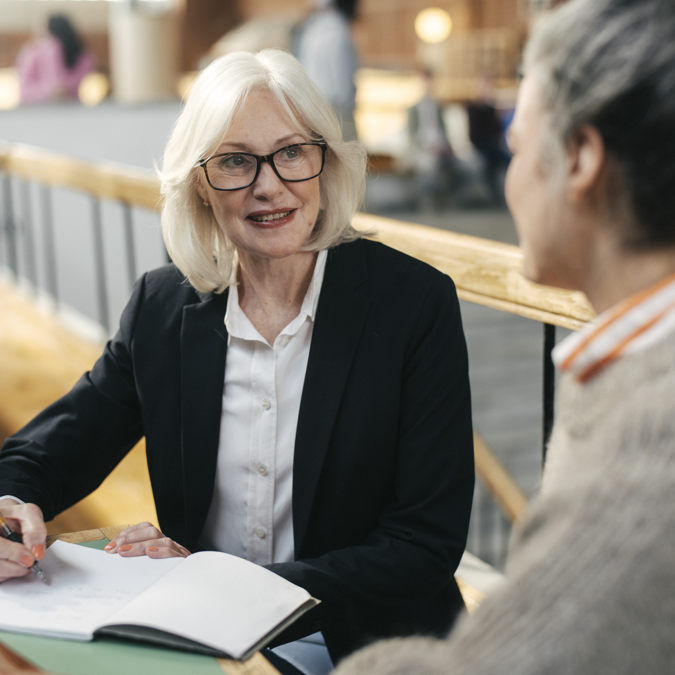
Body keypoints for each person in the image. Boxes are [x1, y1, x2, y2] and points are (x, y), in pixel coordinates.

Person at [0, 50, 474, 673]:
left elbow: (423, 546)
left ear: (325, 163)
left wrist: (215, 583)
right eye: (234, 161)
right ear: (199, 182)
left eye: (292, 153)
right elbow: (48, 452)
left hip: (373, 647)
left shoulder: (413, 303)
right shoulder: (162, 307)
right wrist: (11, 508)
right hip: (214, 647)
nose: (269, 184)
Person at [332, 0, 675, 673]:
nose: (509, 177)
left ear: (579, 158)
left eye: (516, 142)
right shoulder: (630, 374)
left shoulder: (646, 452)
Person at [293, 0, 359, 141]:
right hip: (337, 110)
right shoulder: (339, 31)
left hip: (313, 107)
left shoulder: (310, 30)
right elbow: (343, 80)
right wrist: (351, 106)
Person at [16, 14, 95, 105]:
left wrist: (52, 48)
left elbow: (62, 88)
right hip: (45, 109)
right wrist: (49, 91)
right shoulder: (33, 54)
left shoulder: (81, 58)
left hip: (66, 109)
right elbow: (25, 91)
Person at [466, 77, 510, 204]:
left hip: (493, 145)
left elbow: (497, 131)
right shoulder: (473, 108)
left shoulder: (492, 109)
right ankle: (492, 195)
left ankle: (502, 194)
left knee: (507, 161)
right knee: (487, 163)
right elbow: (474, 134)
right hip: (481, 146)